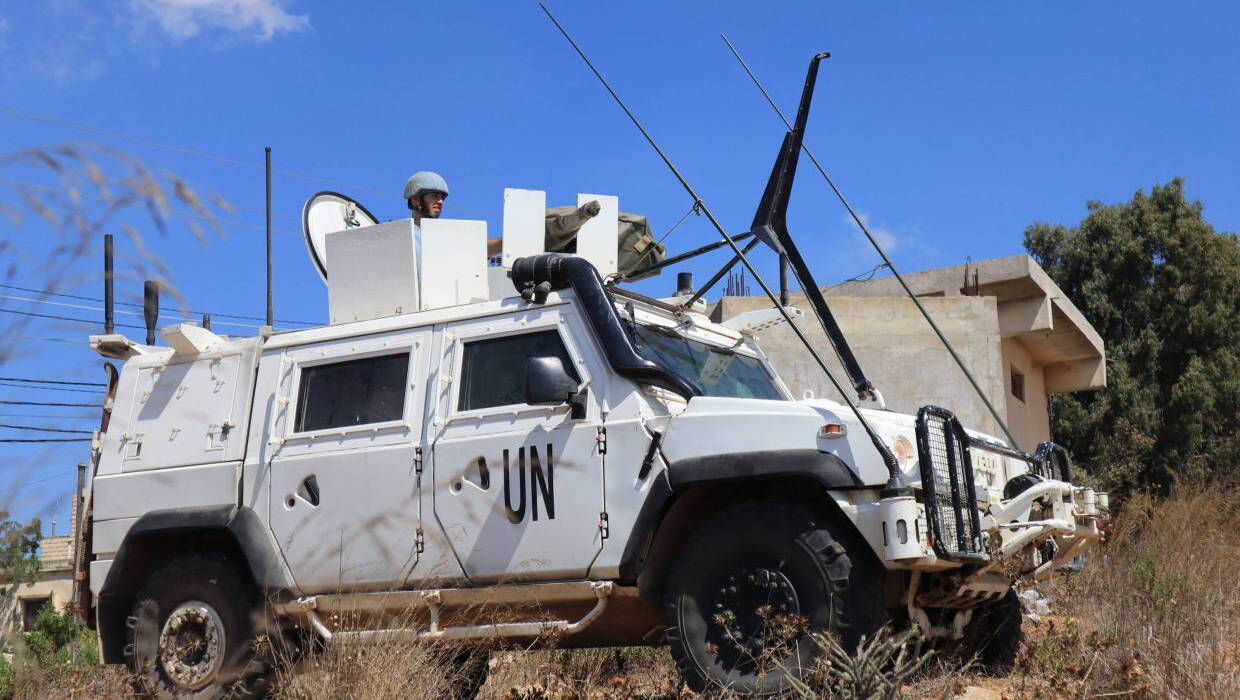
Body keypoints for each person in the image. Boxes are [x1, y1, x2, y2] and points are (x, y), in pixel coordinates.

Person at [403, 171, 501, 256]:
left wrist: (509, 240)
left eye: (442, 198)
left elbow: (479, 248)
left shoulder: (447, 235)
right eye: (434, 196)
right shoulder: (400, 235)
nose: (441, 201)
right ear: (415, 200)